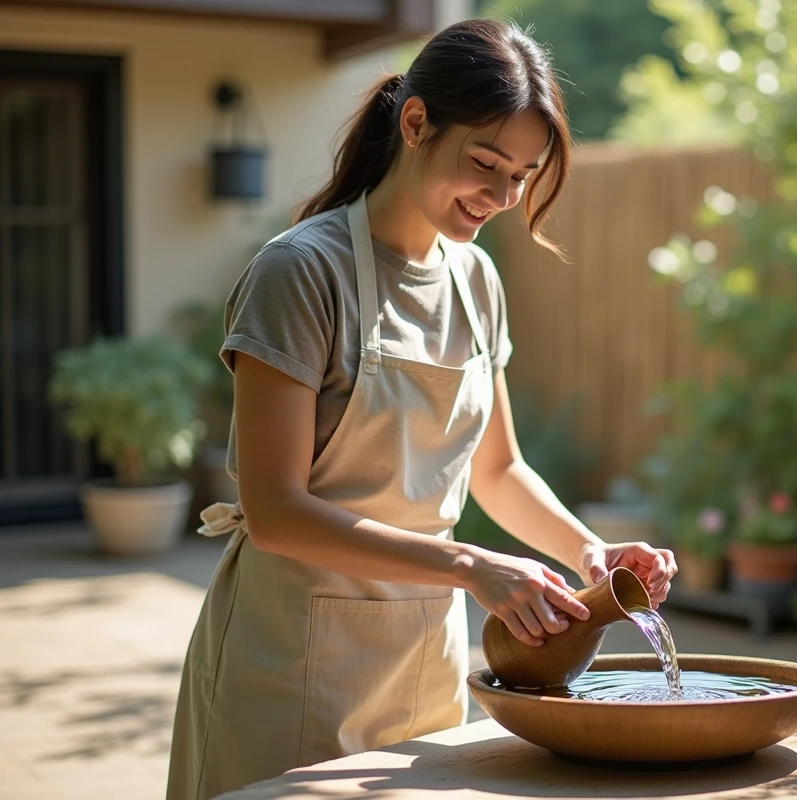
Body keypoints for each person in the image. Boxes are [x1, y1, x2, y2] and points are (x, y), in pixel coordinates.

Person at [166, 18, 676, 800]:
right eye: (487, 163)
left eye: (524, 175)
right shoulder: (301, 273)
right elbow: (273, 511)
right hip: (291, 655)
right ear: (415, 124)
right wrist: (471, 564)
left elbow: (498, 470)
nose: (505, 196)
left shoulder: (476, 282)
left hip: (425, 657)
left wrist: (590, 554)